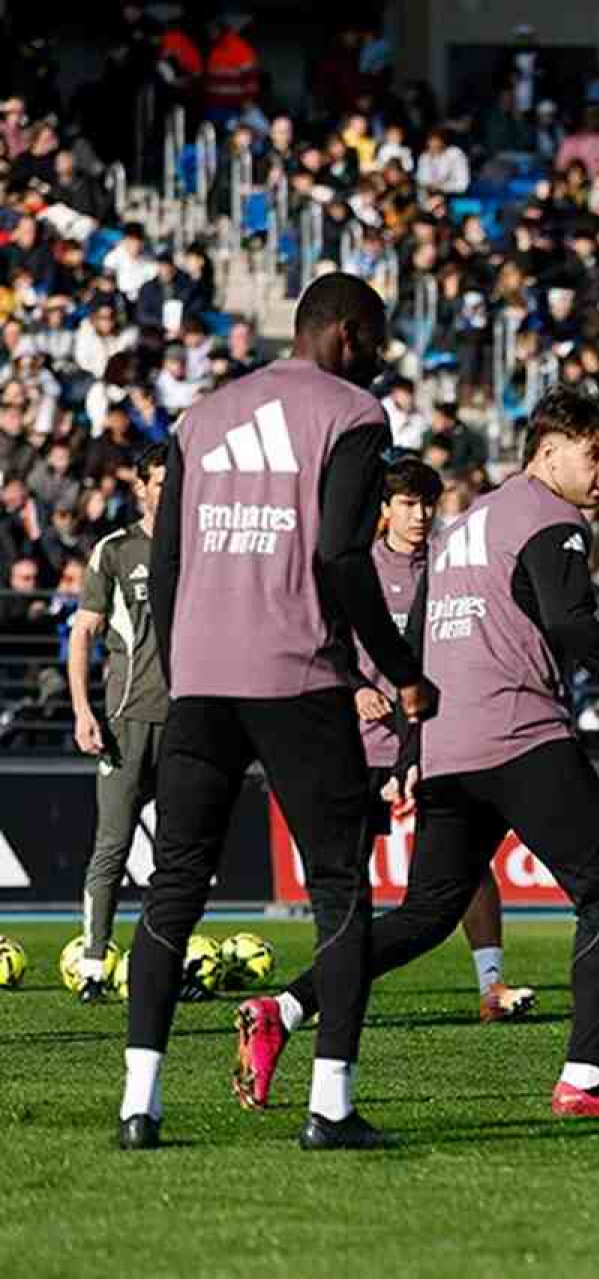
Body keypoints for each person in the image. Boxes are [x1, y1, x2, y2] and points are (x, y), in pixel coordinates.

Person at [234, 387, 599, 1124]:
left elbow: (419, 646)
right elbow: (570, 622)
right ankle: (585, 1077)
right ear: (549, 451)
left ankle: (284, 1006)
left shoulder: (465, 525)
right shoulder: (552, 518)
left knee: (426, 914)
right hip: (521, 734)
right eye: (596, 454)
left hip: (447, 749)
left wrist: (413, 749)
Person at [119, 274, 438, 1151]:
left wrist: (183, 666)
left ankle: (140, 1105)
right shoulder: (354, 412)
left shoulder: (200, 418)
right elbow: (341, 556)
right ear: (345, 333)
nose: (380, 355)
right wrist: (402, 670)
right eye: (376, 337)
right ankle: (330, 1106)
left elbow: (168, 562)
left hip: (202, 683)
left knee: (174, 886)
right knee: (339, 887)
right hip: (298, 678)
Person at [351, 457, 535, 1024]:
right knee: (347, 871)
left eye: (428, 504)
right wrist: (356, 688)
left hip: (438, 745)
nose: (420, 515)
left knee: (469, 865)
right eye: (408, 504)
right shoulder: (354, 568)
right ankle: (338, 983)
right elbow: (318, 642)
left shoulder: (452, 562)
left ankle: (491, 986)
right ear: (384, 509)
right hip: (362, 745)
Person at [66, 445, 168, 1005]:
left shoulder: (200, 548)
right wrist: (84, 711)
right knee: (112, 848)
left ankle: (163, 961)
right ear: (141, 487)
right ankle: (93, 967)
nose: (169, 492)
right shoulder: (116, 550)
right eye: (160, 483)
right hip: (127, 720)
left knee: (179, 856)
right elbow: (83, 632)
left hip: (189, 724)